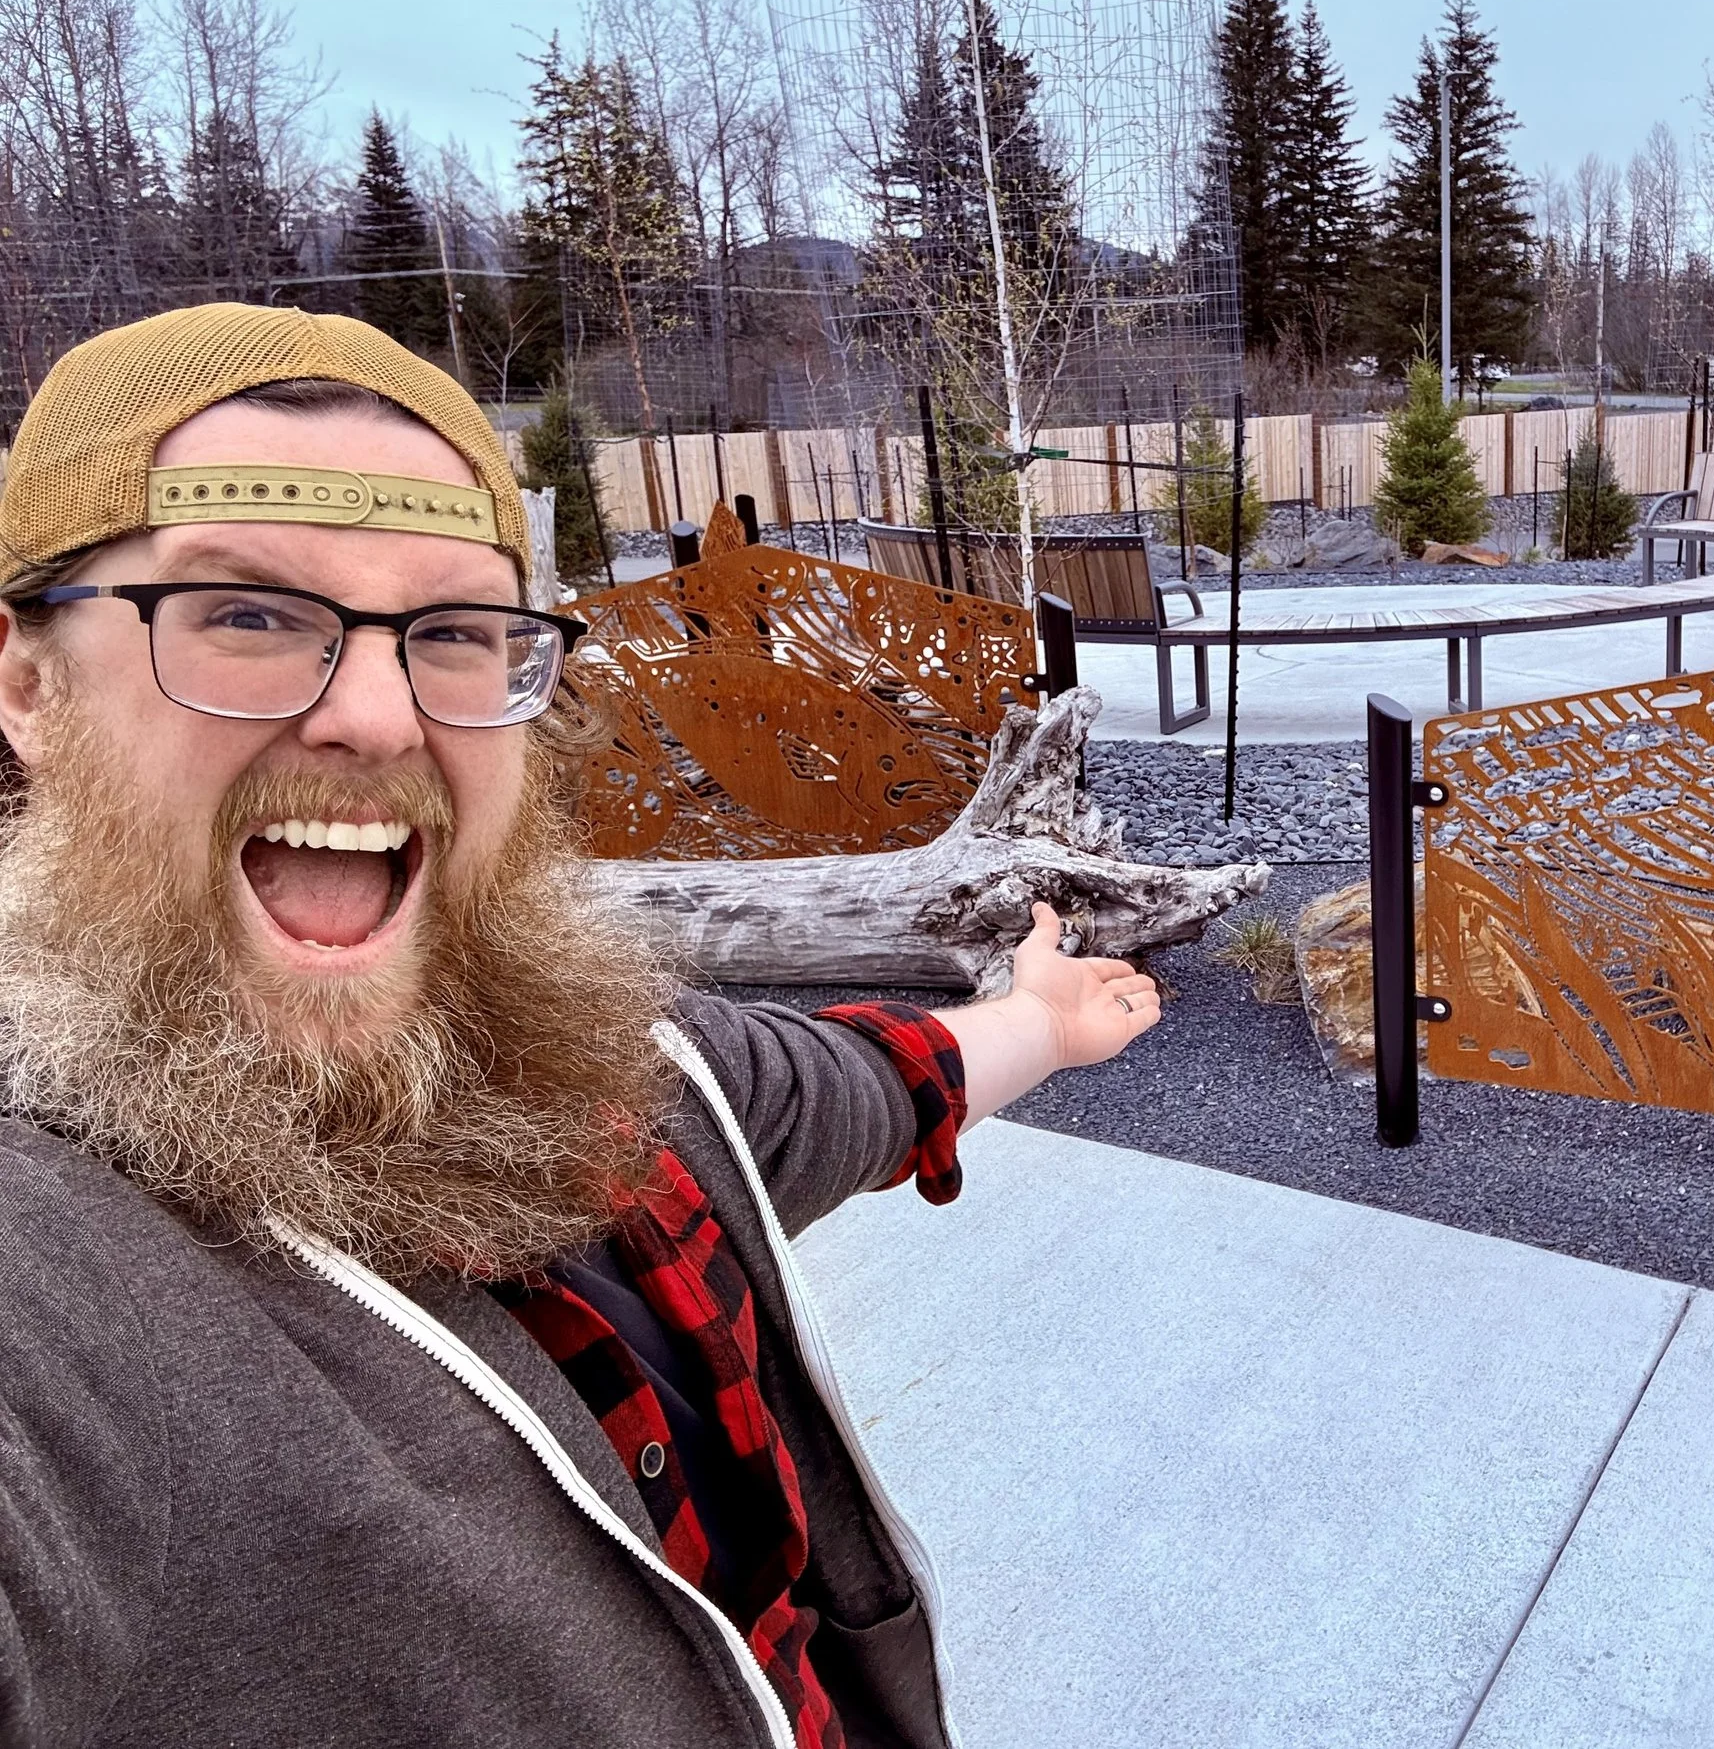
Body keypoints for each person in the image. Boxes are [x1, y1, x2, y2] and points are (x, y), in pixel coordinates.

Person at [0, 304, 1161, 1749]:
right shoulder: (57, 1281)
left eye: (456, 632)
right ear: (29, 686)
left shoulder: (587, 1052)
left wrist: (1037, 1022)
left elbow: (839, 1090)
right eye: (246, 613)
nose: (376, 711)